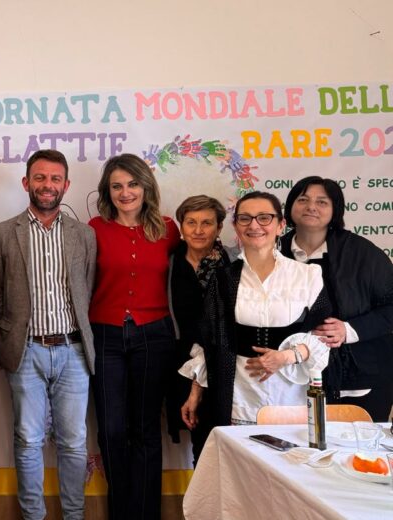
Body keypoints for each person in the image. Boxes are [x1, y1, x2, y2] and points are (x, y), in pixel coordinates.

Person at [0, 149, 96, 520]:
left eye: (55, 179)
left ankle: (74, 515)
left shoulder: (84, 235)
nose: (47, 185)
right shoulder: (4, 233)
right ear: (26, 182)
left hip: (73, 352)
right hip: (26, 351)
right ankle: (33, 516)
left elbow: (87, 289)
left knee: (74, 442)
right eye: (40, 177)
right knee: (28, 439)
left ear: (66, 185)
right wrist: (10, 333)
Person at [180, 191, 331, 429]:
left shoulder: (307, 275)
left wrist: (286, 356)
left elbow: (325, 337)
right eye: (245, 218)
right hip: (238, 397)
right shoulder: (223, 279)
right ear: (236, 226)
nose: (254, 225)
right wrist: (195, 392)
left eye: (264, 217)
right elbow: (209, 340)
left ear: (280, 225)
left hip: (291, 396)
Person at [88, 153, 180, 520]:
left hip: (154, 336)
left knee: (145, 429)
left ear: (146, 187)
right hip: (105, 335)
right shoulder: (94, 229)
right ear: (107, 191)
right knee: (111, 430)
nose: (125, 193)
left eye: (133, 184)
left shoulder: (168, 229)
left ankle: (145, 513)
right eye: (117, 186)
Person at [280, 177, 393, 422]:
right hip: (291, 377)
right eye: (303, 199)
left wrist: (348, 330)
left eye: (322, 202)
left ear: (335, 210)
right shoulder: (274, 251)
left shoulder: (362, 253)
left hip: (359, 373)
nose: (311, 207)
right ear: (290, 206)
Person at [166, 195, 230, 462]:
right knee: (199, 445)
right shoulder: (169, 262)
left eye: (207, 223)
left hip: (222, 362)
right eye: (191, 222)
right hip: (180, 361)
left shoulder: (232, 265)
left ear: (219, 227)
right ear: (181, 227)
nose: (198, 230)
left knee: (223, 441)